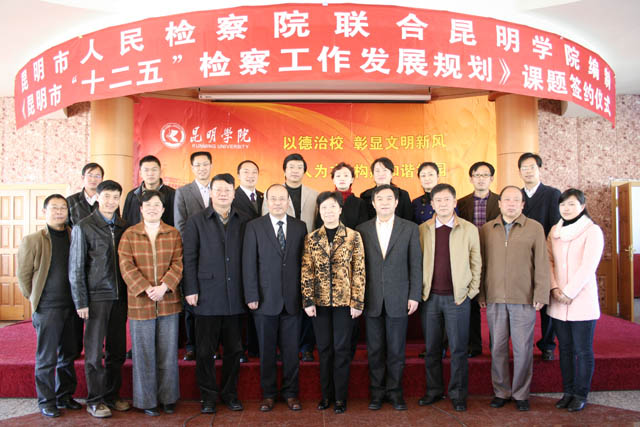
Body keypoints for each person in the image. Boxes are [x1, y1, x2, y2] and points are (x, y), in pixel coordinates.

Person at [479, 186, 551, 412]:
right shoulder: (487, 229)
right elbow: (482, 263)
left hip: (524, 298)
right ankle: (501, 391)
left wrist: (541, 292)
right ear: (499, 204)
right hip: (495, 298)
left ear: (522, 204)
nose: (511, 204)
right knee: (497, 348)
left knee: (523, 349)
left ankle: (521, 393)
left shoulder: (535, 228)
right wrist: (482, 293)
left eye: (516, 200)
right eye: (507, 200)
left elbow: (542, 262)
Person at [183, 173, 249, 414]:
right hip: (206, 295)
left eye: (227, 190)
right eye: (218, 189)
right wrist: (190, 288)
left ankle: (230, 394)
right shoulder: (196, 221)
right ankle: (208, 397)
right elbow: (189, 258)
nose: (223, 194)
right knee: (204, 351)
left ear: (233, 193)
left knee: (234, 350)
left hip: (235, 296)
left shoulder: (244, 220)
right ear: (210, 193)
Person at [356, 184, 422, 411]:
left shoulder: (410, 228)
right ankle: (376, 394)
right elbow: (358, 267)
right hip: (371, 298)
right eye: (380, 199)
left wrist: (414, 295)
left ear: (396, 202)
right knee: (374, 350)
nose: (384, 202)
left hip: (399, 297)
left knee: (396, 350)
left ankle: (395, 393)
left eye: (389, 198)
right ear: (373, 203)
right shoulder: (362, 229)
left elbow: (415, 264)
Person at [118, 190, 183, 416]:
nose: (152, 208)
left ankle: (168, 398)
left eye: (157, 205)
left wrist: (165, 286)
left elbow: (178, 263)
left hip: (168, 300)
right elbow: (126, 266)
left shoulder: (173, 233)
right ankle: (147, 401)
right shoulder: (130, 234)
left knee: (168, 353)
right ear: (141, 209)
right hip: (141, 302)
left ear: (163, 209)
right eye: (148, 205)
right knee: (143, 354)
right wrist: (146, 288)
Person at [242, 184, 307, 412]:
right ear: (267, 202)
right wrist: (251, 294)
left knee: (291, 352)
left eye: (282, 199)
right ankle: (268, 395)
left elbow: (305, 264)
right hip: (264, 299)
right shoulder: (254, 227)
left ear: (288, 202)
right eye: (273, 199)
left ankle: (291, 393)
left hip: (292, 300)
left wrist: (305, 297)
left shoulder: (300, 226)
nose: (278, 203)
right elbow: (248, 264)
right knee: (266, 351)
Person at [69, 180, 130, 418]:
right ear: (97, 197)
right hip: (95, 298)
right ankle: (94, 400)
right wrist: (80, 301)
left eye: (115, 197)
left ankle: (112, 396)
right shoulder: (84, 226)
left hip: (120, 297)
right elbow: (76, 268)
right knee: (94, 354)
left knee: (117, 351)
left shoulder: (124, 226)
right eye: (107, 197)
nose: (111, 202)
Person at [418, 184, 481, 412]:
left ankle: (458, 394)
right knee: (432, 349)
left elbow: (476, 262)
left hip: (458, 299)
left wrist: (470, 292)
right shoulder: (423, 229)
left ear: (454, 202)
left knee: (458, 349)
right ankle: (434, 391)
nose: (443, 204)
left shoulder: (469, 229)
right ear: (432, 204)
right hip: (430, 299)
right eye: (438, 200)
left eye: (447, 200)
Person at [301, 191, 366, 414]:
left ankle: (340, 398)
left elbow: (359, 271)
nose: (328, 211)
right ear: (319, 211)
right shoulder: (311, 238)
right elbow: (307, 271)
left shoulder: (353, 236)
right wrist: (308, 300)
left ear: (340, 209)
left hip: (344, 303)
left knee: (341, 349)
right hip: (319, 303)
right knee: (324, 349)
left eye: (332, 207)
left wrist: (357, 302)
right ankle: (326, 396)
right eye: (324, 207)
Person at [18, 195, 81, 418]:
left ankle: (64, 395)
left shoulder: (74, 235)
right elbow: (23, 276)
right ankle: (46, 400)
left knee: (69, 354)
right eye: (54, 208)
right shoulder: (33, 239)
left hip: (72, 307)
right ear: (44, 211)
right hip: (48, 308)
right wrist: (36, 300)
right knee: (47, 357)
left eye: (63, 208)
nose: (59, 212)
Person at [547, 189, 604, 412]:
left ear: (582, 206)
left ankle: (581, 394)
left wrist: (569, 292)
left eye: (571, 204)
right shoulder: (555, 231)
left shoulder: (592, 231)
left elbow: (589, 266)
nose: (566, 208)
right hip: (558, 299)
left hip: (581, 299)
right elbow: (549, 261)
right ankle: (568, 392)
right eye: (563, 204)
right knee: (565, 350)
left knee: (583, 350)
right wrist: (554, 287)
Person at [262, 153, 318, 362]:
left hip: (305, 253)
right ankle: (280, 347)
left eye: (299, 167)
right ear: (284, 170)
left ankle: (305, 347)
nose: (295, 170)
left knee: (305, 301)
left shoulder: (314, 194)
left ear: (304, 170)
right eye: (291, 167)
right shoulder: (273, 194)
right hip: (278, 256)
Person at [519, 152, 561, 361]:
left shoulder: (552, 194)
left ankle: (548, 344)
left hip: (544, 255)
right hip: (520, 258)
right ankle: (522, 345)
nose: (528, 171)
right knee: (522, 303)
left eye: (532, 167)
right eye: (524, 168)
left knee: (546, 302)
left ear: (539, 169)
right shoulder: (516, 195)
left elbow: (556, 226)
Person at [457, 161, 500, 358]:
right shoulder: (461, 203)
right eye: (477, 175)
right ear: (470, 178)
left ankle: (496, 346)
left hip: (494, 256)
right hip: (469, 259)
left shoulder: (501, 201)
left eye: (485, 175)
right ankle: (473, 345)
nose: (481, 179)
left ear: (491, 178)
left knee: (495, 304)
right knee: (472, 302)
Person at [174, 151, 213, 361]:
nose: (202, 168)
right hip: (192, 254)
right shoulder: (183, 192)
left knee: (212, 300)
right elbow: (180, 224)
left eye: (205, 164)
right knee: (191, 299)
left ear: (211, 166)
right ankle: (191, 345)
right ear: (192, 168)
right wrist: (193, 247)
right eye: (198, 165)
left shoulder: (220, 189)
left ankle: (212, 345)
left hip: (216, 256)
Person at [232, 159, 263, 362]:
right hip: (239, 253)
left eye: (254, 172)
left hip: (263, 256)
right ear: (238, 175)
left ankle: (256, 346)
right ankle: (240, 347)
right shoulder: (231, 196)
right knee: (242, 303)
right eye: (246, 172)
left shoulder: (264, 196)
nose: (250, 175)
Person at [123, 155, 175, 227]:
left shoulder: (173, 194)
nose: (150, 173)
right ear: (140, 173)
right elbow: (125, 221)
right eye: (146, 170)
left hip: (165, 234)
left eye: (154, 170)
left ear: (160, 172)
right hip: (135, 234)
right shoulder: (132, 195)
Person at [315, 162, 368, 230]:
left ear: (352, 179)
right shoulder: (325, 201)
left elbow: (363, 227)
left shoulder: (359, 203)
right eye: (338, 176)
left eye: (346, 175)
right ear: (333, 180)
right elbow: (319, 225)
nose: (342, 178)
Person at [360, 157, 412, 221]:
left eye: (385, 170)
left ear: (391, 174)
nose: (381, 174)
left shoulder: (402, 195)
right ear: (373, 175)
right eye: (377, 171)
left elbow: (409, 220)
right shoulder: (365, 196)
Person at [67, 162, 104, 227]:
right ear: (82, 177)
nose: (93, 179)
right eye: (90, 175)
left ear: (102, 179)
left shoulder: (108, 201)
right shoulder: (71, 201)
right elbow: (66, 227)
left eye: (97, 176)